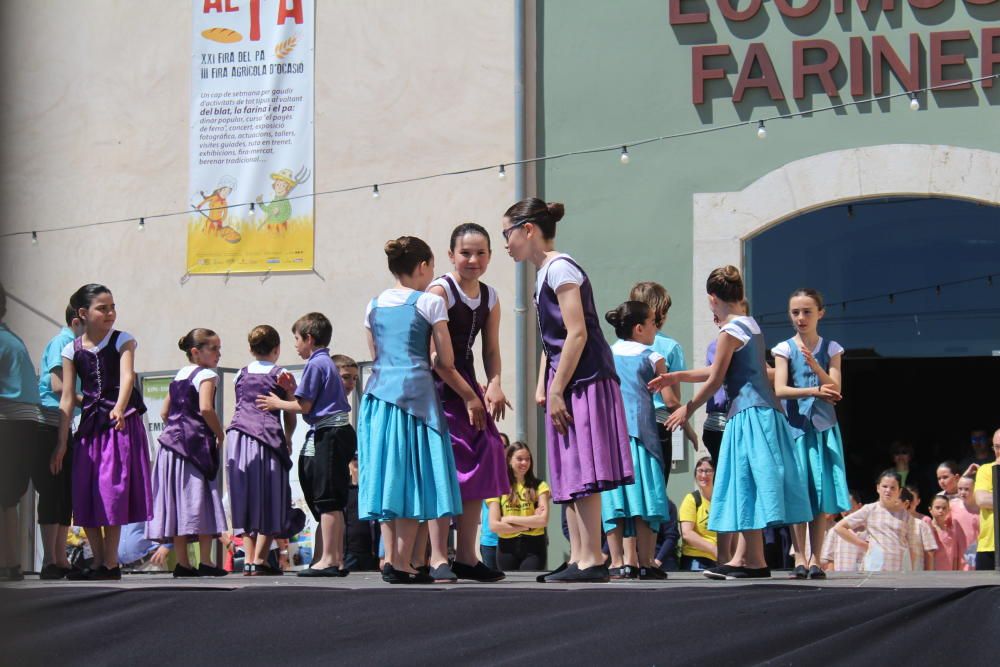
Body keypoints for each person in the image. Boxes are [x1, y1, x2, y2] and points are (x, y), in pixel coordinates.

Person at [650, 266, 811, 580]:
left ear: (713, 299)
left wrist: (688, 407)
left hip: (749, 416)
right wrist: (677, 376)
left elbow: (715, 379)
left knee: (744, 484)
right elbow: (717, 371)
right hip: (759, 414)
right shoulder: (749, 324)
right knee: (745, 485)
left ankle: (750, 560)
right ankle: (752, 560)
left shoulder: (730, 331)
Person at [502, 198, 633, 583]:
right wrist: (548, 383)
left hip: (585, 378)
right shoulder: (545, 273)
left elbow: (577, 332)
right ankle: (579, 555)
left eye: (507, 233)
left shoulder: (560, 268)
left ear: (528, 230)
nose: (506, 243)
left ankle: (593, 556)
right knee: (572, 469)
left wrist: (556, 387)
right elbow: (553, 340)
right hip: (569, 379)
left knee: (586, 467)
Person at [358, 236, 484, 584]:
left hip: (379, 399)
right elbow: (446, 360)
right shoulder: (429, 303)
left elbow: (375, 353)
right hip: (417, 399)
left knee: (391, 477)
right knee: (418, 478)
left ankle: (397, 562)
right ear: (423, 266)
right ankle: (406, 563)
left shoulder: (373, 304)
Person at [427, 223, 510, 582]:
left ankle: (466, 556)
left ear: (490, 256)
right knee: (443, 466)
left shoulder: (491, 297)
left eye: (480, 253)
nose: (473, 260)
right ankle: (436, 556)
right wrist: (468, 394)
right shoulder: (439, 291)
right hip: (437, 388)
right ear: (450, 255)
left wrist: (494, 384)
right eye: (465, 253)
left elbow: (490, 349)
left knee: (485, 452)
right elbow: (434, 357)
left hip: (468, 388)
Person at [52, 284, 152, 581]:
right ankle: (99, 562)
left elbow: (127, 376)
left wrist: (120, 407)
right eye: (102, 308)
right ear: (83, 313)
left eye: (112, 307)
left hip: (119, 423)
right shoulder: (71, 349)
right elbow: (68, 397)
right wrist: (61, 442)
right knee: (87, 490)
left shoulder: (123, 340)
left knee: (112, 491)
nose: (110, 313)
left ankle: (110, 562)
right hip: (90, 425)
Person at [257, 313, 355, 577]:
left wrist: (277, 403)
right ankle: (334, 558)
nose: (296, 345)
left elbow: (305, 406)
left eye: (297, 339)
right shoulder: (324, 364)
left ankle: (330, 559)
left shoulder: (316, 364)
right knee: (330, 497)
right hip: (335, 431)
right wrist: (294, 388)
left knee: (328, 499)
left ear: (309, 339)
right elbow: (313, 398)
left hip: (330, 432)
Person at [771, 288, 849, 580]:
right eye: (795, 312)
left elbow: (837, 389)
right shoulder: (784, 348)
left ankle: (816, 558)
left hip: (823, 429)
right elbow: (780, 389)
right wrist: (815, 389)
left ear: (820, 313)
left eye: (806, 312)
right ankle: (799, 556)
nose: (801, 318)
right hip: (795, 430)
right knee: (797, 492)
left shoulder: (832, 348)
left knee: (819, 494)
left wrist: (817, 367)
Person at [147, 328, 228, 577]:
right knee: (199, 500)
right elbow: (206, 408)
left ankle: (183, 562)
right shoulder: (207, 375)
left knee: (177, 503)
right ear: (196, 352)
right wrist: (219, 433)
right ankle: (205, 560)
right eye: (213, 348)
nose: (218, 353)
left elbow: (164, 413)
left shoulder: (180, 375)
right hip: (194, 447)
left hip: (170, 447)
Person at [599, 301, 670, 580]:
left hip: (612, 434)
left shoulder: (606, 353)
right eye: (653, 322)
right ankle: (646, 561)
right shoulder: (653, 357)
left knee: (615, 498)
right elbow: (670, 398)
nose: (656, 327)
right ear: (640, 328)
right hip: (644, 434)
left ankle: (618, 562)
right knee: (647, 497)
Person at [226, 325, 297, 576]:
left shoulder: (240, 374)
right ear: (277, 349)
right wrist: (288, 437)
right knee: (271, 496)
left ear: (250, 349)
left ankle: (248, 558)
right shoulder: (282, 373)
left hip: (238, 437)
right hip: (267, 437)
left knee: (243, 496)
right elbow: (290, 411)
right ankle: (260, 558)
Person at [628, 282, 699, 481]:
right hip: (658, 425)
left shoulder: (621, 346)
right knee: (656, 490)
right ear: (660, 312)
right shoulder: (670, 347)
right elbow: (672, 401)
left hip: (627, 425)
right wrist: (689, 429)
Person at [33, 304, 85, 579]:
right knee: (52, 491)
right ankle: (50, 560)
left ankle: (61, 557)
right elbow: (57, 385)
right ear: (78, 320)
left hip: (66, 425)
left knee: (65, 493)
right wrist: (91, 401)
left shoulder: (76, 346)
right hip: (50, 425)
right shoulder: (62, 342)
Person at [0, 282, 42, 582]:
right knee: (8, 501)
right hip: (25, 424)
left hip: (8, 422)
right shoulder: (12, 340)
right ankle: (10, 563)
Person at [834, 471, 924, 572]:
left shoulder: (906, 516)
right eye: (884, 486)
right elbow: (839, 527)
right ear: (878, 488)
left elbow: (913, 548)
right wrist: (865, 546)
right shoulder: (870, 509)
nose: (888, 490)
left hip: (898, 569)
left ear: (899, 491)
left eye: (893, 487)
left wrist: (911, 572)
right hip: (873, 567)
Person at [486, 442, 550, 572]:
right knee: (509, 589)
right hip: (506, 548)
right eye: (520, 459)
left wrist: (508, 518)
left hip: (535, 546)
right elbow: (494, 525)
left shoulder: (540, 486)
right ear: (509, 459)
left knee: (530, 586)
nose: (524, 463)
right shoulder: (497, 486)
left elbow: (543, 520)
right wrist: (529, 525)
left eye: (527, 459)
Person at [678, 457, 718, 571]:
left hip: (721, 559)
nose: (704, 475)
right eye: (700, 471)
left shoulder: (722, 501)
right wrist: (714, 549)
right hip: (697, 559)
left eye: (708, 471)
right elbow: (687, 534)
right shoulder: (691, 499)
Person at [819, 491, 866, 572]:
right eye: (842, 508)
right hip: (841, 577)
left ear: (859, 506)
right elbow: (829, 559)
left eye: (849, 507)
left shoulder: (868, 530)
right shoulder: (834, 531)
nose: (845, 512)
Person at [973, 429, 999, 570]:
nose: (999, 450)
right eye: (997, 447)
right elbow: (982, 500)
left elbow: (989, 499)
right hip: (989, 546)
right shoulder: (985, 469)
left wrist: (994, 496)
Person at [899, 487, 937, 570]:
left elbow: (929, 552)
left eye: (896, 502)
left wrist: (928, 575)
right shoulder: (887, 524)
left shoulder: (921, 525)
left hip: (916, 573)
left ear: (905, 503)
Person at [928, 495, 967, 571]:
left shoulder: (952, 533)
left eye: (944, 508)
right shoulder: (929, 530)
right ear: (930, 510)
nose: (941, 510)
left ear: (949, 510)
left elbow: (955, 557)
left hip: (948, 575)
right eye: (937, 507)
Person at [951, 474, 979, 570]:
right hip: (956, 553)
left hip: (975, 554)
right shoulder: (952, 505)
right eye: (960, 489)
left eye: (967, 489)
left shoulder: (982, 509)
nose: (962, 492)